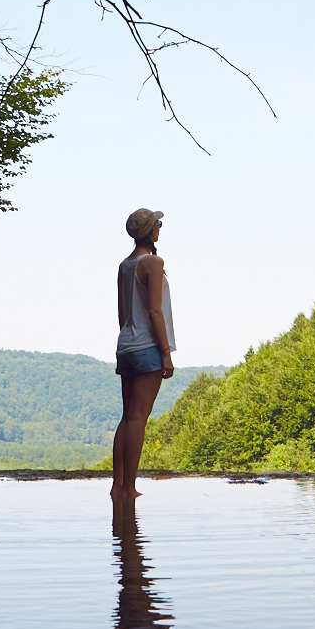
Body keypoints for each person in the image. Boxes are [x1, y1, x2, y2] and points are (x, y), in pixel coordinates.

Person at [112, 207, 175, 499]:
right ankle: (130, 487)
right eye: (158, 224)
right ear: (150, 231)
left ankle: (117, 486)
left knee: (127, 417)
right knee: (139, 418)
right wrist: (165, 353)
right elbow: (155, 311)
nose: (159, 229)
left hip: (126, 346)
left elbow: (122, 314)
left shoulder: (124, 265)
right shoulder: (152, 262)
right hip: (148, 347)